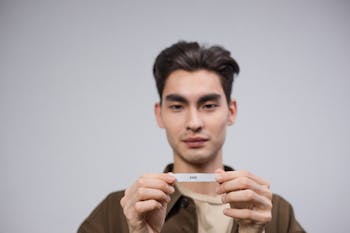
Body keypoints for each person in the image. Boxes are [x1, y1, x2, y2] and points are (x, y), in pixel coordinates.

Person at [78, 41, 305, 233]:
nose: (194, 123)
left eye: (208, 105)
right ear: (160, 114)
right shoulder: (116, 212)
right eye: (177, 106)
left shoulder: (274, 213)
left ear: (231, 111)